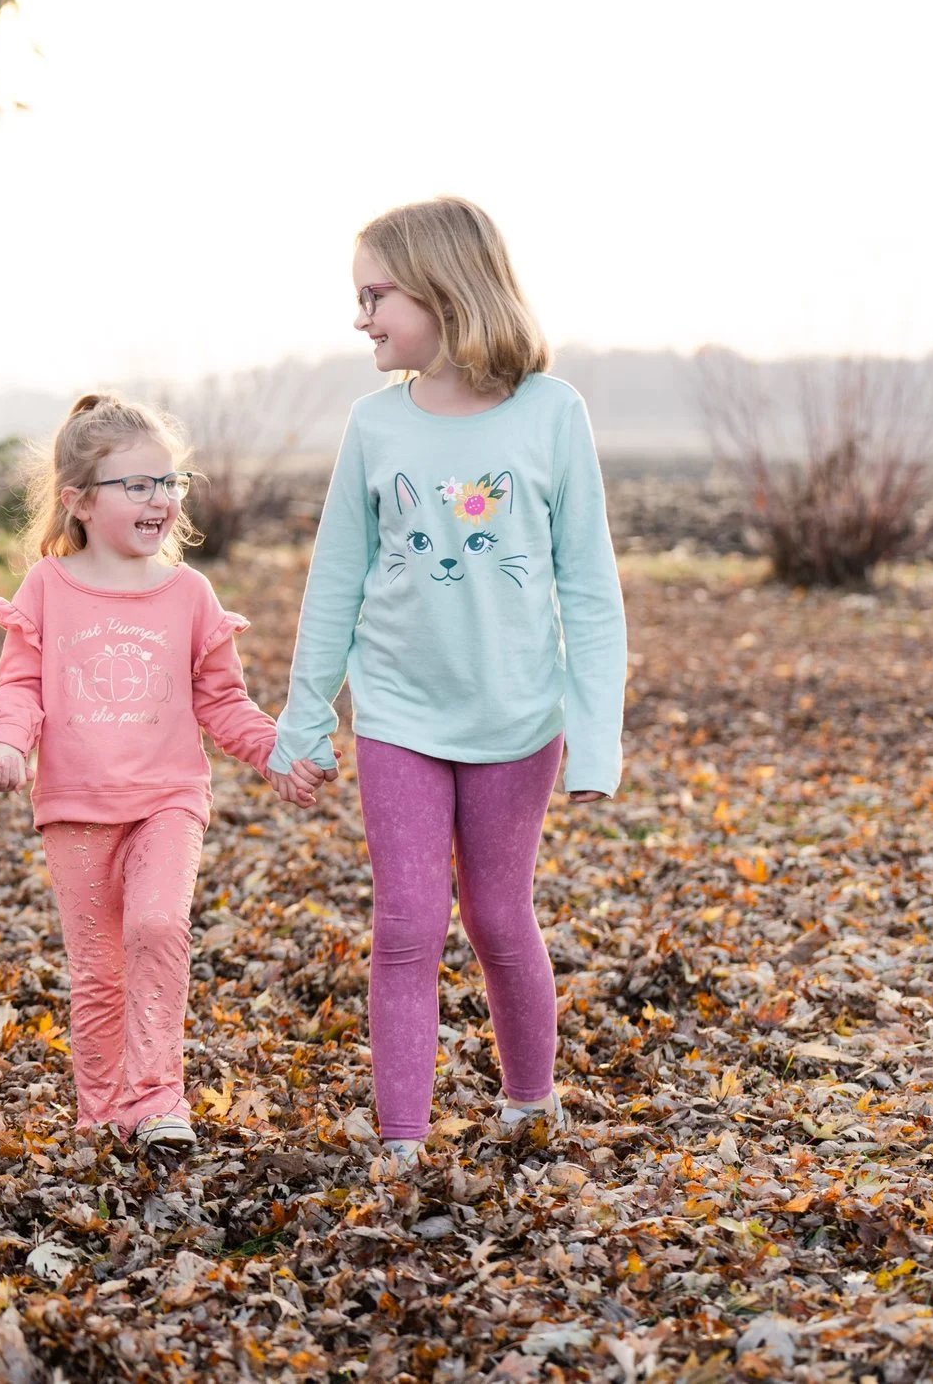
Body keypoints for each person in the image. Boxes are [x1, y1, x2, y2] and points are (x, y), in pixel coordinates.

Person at [266, 196, 628, 1171]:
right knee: (406, 923)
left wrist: (597, 739)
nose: (360, 317)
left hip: (519, 719)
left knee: (498, 915)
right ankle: (401, 1144)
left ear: (442, 287)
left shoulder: (551, 413)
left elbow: (590, 588)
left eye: (374, 294)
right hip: (396, 715)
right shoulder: (374, 426)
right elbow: (333, 583)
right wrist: (303, 722)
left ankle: (528, 1104)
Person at [0, 393, 322, 1154]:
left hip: (168, 797)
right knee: (98, 969)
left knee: (158, 926)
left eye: (170, 482)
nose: (161, 498)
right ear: (80, 501)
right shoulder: (47, 589)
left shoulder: (188, 592)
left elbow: (222, 698)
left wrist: (272, 750)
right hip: (75, 805)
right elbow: (20, 686)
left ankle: (159, 1099)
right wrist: (4, 743)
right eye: (139, 484)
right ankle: (102, 1112)